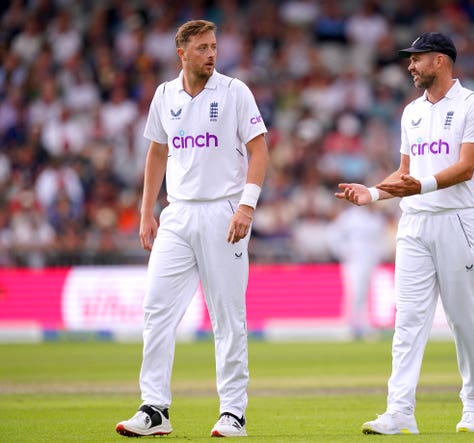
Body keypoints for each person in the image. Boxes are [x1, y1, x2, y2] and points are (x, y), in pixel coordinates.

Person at [115, 20, 269, 438]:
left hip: (224, 212)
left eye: (214, 46)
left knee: (227, 315)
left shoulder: (235, 92)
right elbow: (157, 152)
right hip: (178, 213)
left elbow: (259, 150)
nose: (211, 54)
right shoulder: (165, 95)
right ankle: (154, 408)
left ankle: (233, 412)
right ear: (181, 53)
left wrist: (246, 207)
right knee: (157, 310)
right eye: (202, 48)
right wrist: (146, 211)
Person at [336, 32, 474, 434]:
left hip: (454, 219)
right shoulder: (411, 112)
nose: (410, 66)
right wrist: (370, 193)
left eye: (417, 59)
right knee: (407, 320)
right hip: (414, 223)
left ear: (440, 61)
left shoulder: (473, 105)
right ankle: (399, 411)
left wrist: (419, 187)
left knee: (463, 319)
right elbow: (405, 173)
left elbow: (466, 168)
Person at [327, 204, 388, 339]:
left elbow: (380, 240)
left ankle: (365, 326)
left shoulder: (376, 218)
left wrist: (378, 255)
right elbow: (333, 234)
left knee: (366, 294)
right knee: (354, 292)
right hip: (353, 262)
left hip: (370, 261)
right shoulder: (350, 216)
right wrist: (344, 252)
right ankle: (348, 326)